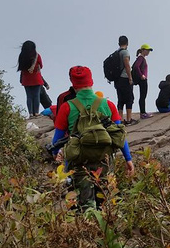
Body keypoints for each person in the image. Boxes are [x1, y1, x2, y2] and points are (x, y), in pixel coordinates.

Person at [51, 66, 134, 210]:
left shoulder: (67, 107)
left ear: (73, 84)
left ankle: (86, 228)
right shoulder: (108, 105)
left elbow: (56, 141)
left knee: (84, 207)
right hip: (105, 162)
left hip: (78, 163)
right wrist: (128, 159)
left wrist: (57, 156)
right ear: (91, 82)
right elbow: (120, 135)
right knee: (105, 204)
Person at [17, 40, 44, 118]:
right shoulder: (36, 56)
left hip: (26, 79)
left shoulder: (21, 56)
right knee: (36, 96)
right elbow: (41, 66)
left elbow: (21, 68)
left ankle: (31, 113)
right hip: (36, 78)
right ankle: (36, 112)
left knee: (29, 96)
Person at [113, 36, 136, 125]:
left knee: (120, 98)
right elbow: (127, 65)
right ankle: (129, 119)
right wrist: (130, 78)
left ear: (119, 43)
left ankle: (120, 119)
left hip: (117, 79)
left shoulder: (116, 53)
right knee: (129, 98)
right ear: (127, 43)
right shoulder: (125, 52)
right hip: (125, 78)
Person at [132, 43, 153, 119]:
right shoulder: (141, 58)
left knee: (143, 96)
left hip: (142, 79)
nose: (148, 52)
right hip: (143, 80)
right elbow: (136, 67)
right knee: (143, 96)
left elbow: (136, 67)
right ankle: (143, 113)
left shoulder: (141, 58)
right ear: (143, 50)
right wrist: (141, 75)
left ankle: (143, 112)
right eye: (147, 50)